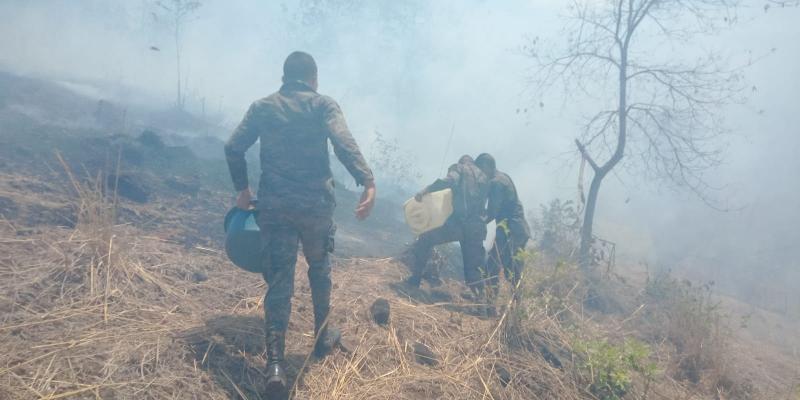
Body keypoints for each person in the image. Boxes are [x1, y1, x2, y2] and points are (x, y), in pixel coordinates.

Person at [224, 51, 376, 397]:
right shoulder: (323, 105)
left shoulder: (263, 107)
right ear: (313, 78)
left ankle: (275, 365)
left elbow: (233, 147)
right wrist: (367, 181)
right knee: (320, 268)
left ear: (284, 77)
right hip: (315, 207)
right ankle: (322, 337)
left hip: (275, 207)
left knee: (279, 282)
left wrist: (243, 191)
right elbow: (342, 143)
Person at [406, 155, 491, 305]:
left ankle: (415, 279)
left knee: (425, 238)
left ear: (461, 162)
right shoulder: (484, 177)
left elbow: (448, 181)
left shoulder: (460, 168)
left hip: (458, 224)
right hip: (477, 228)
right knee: (474, 269)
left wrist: (425, 190)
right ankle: (482, 306)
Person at [475, 153, 531, 297]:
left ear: (486, 167)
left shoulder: (496, 183)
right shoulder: (503, 177)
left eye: (480, 170)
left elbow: (492, 212)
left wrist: (476, 222)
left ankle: (490, 307)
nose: (480, 174)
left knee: (494, 268)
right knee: (512, 273)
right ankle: (511, 310)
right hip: (518, 229)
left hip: (510, 231)